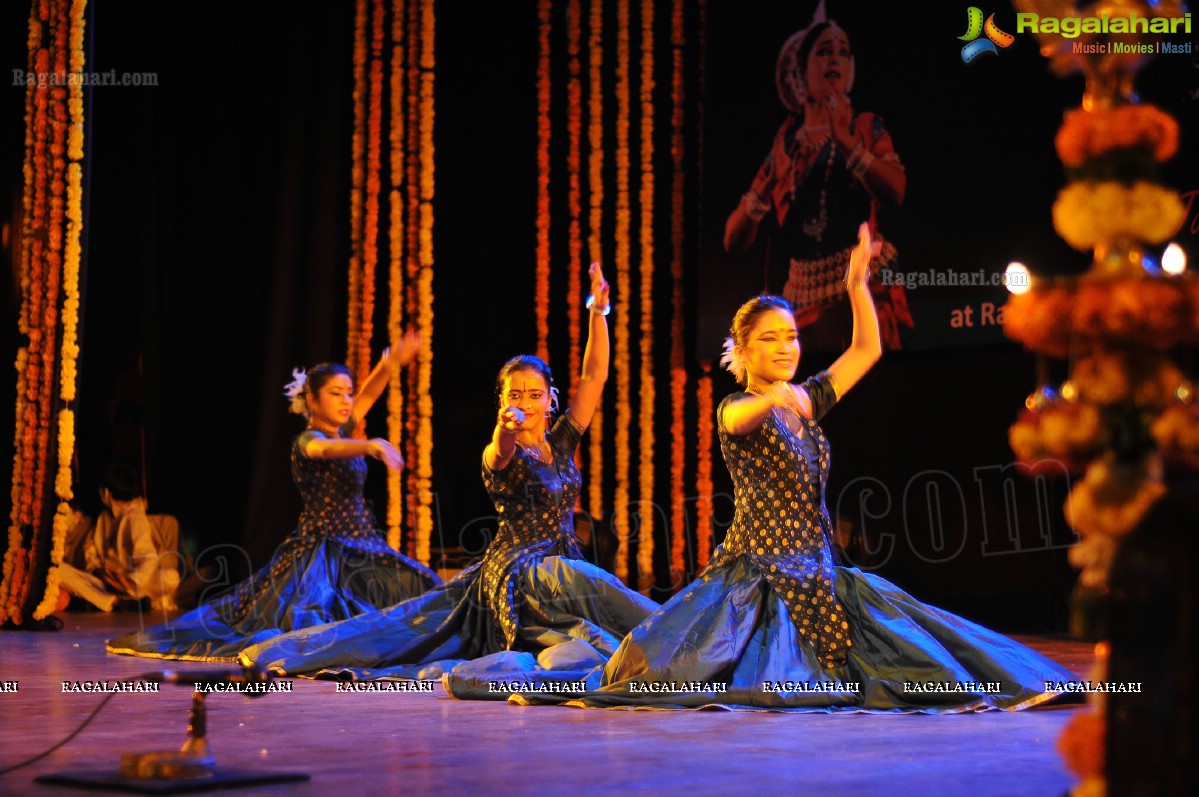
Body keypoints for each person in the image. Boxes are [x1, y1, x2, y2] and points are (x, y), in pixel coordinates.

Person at [520, 224, 1082, 710]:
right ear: (744, 349)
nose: (786, 347)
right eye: (770, 340)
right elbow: (740, 416)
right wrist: (773, 397)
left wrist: (857, 284)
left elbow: (867, 350)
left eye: (790, 337)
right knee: (693, 673)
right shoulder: (739, 406)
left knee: (921, 645)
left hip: (819, 566)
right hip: (757, 573)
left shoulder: (804, 400)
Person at [240, 263, 658, 693]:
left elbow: (594, 375)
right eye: (515, 395)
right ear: (502, 399)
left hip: (563, 561)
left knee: (598, 628)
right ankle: (677, 633)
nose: (526, 403)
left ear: (549, 399)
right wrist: (504, 427)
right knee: (593, 586)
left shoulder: (563, 440)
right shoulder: (501, 447)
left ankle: (674, 644)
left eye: (534, 395)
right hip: (524, 570)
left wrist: (598, 311)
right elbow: (500, 451)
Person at [106, 334, 440, 661]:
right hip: (322, 552)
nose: (346, 401)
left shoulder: (344, 427)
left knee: (421, 587)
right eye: (335, 393)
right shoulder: (308, 439)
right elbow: (323, 449)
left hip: (362, 544)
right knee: (313, 625)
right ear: (312, 400)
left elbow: (368, 394)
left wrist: (388, 361)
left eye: (348, 393)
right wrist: (369, 445)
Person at [724, 5, 912, 351]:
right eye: (824, 52)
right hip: (800, 306)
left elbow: (896, 192)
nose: (835, 60)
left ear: (852, 68)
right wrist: (767, 186)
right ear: (800, 71)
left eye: (843, 53)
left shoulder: (864, 127)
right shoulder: (787, 142)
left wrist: (848, 145)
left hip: (864, 290)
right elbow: (732, 239)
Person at [58, 464, 180, 612]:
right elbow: (91, 555)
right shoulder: (104, 517)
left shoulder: (134, 516)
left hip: (134, 585)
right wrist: (102, 573)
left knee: (171, 577)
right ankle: (118, 602)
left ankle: (125, 599)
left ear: (106, 492)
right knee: (57, 570)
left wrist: (129, 583)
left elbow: (148, 557)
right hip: (107, 585)